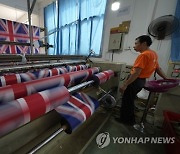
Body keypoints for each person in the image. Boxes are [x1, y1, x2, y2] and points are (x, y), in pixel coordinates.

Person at [116, 35, 167, 125]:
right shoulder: (153, 54)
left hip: (135, 81)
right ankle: (130, 119)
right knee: (130, 100)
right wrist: (166, 78)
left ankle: (126, 121)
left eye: (136, 43)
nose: (134, 46)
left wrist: (125, 84)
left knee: (127, 101)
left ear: (144, 44)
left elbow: (136, 73)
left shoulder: (143, 55)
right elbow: (158, 68)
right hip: (141, 82)